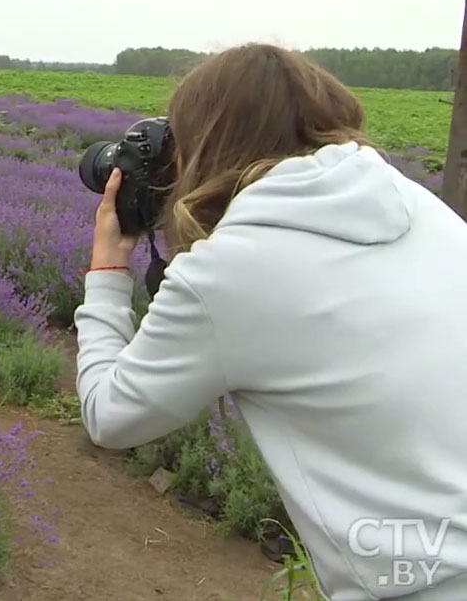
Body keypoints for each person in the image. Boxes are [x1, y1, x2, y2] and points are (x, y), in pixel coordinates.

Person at [74, 43, 467, 601]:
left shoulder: (229, 270)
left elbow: (109, 416)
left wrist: (109, 268)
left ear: (204, 144)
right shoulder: (415, 204)